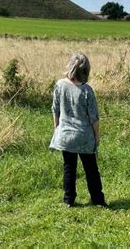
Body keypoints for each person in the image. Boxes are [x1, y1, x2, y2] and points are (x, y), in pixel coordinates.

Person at [49, 53, 107, 208]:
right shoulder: (87, 91)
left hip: (65, 136)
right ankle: (98, 200)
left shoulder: (60, 85)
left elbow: (55, 110)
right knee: (91, 170)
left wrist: (57, 129)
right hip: (84, 137)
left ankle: (69, 200)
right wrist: (97, 137)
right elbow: (94, 117)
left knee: (69, 168)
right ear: (86, 70)